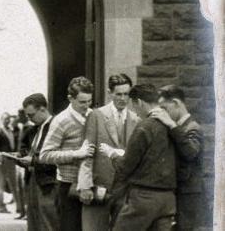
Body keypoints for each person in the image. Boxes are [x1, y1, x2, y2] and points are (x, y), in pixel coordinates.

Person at [99, 84, 177, 230]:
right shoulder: (172, 125)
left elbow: (125, 167)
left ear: (139, 102)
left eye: (133, 105)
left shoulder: (144, 127)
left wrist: (112, 154)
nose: (135, 112)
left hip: (144, 198)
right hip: (168, 199)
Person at [77, 74, 140, 230]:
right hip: (100, 187)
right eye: (119, 94)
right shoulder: (96, 116)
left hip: (125, 189)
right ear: (110, 92)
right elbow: (87, 152)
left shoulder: (136, 119)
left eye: (126, 94)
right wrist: (85, 185)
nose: (123, 98)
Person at [40, 76, 96, 231]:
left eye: (89, 101)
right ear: (70, 99)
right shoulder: (61, 121)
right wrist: (76, 154)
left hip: (91, 185)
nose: (86, 106)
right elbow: (45, 155)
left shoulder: (94, 116)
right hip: (68, 187)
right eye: (82, 102)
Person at [151, 85, 204, 231]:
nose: (163, 113)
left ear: (176, 103)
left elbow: (191, 152)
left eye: (164, 108)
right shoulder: (178, 127)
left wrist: (172, 125)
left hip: (188, 195)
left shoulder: (193, 127)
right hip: (177, 193)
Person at [15, 93, 59, 230]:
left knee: (48, 223)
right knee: (34, 223)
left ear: (42, 109)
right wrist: (19, 157)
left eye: (31, 115)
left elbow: (56, 157)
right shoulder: (33, 130)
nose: (29, 119)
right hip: (33, 181)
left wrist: (33, 161)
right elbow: (27, 151)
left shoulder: (56, 127)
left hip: (49, 184)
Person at [0, 112, 24, 216]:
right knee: (1, 184)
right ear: (1, 120)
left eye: (8, 119)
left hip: (11, 159)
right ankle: (1, 206)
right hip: (2, 160)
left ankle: (19, 207)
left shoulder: (11, 130)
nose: (7, 120)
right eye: (5, 119)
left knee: (14, 184)